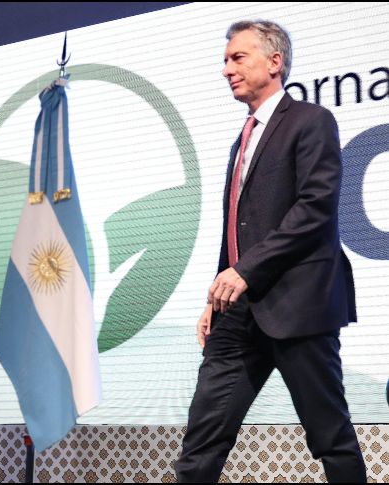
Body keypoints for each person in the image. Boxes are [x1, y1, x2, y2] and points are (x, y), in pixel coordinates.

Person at [175, 20, 366, 482]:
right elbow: (240, 227)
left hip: (298, 304)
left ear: (274, 62)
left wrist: (245, 271)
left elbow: (314, 208)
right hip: (238, 312)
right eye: (225, 60)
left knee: (329, 437)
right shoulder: (242, 138)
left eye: (237, 58)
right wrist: (218, 289)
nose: (226, 70)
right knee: (202, 439)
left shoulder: (312, 121)